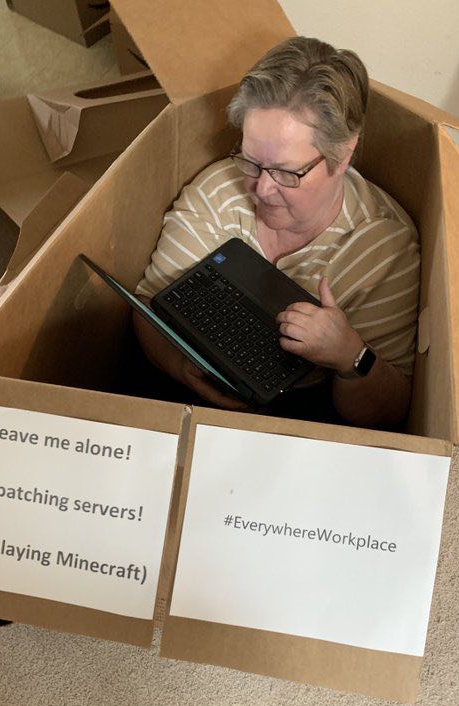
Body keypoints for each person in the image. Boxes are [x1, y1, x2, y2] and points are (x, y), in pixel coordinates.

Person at [133, 37, 420, 429]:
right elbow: (149, 305)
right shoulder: (218, 193)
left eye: (288, 173)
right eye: (252, 161)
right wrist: (180, 367)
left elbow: (390, 412)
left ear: (344, 154)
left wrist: (349, 355)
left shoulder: (384, 248)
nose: (262, 190)